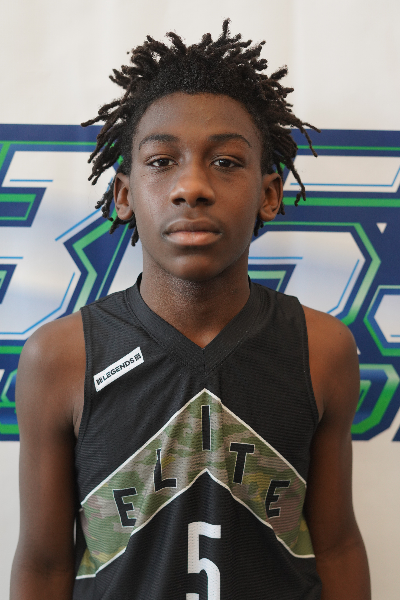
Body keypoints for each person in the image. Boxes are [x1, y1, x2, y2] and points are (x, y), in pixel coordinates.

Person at [11, 21, 370, 600]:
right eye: (161, 161)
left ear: (269, 194)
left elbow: (337, 545)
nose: (192, 187)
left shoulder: (322, 348)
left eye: (226, 162)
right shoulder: (59, 357)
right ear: (124, 195)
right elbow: (44, 563)